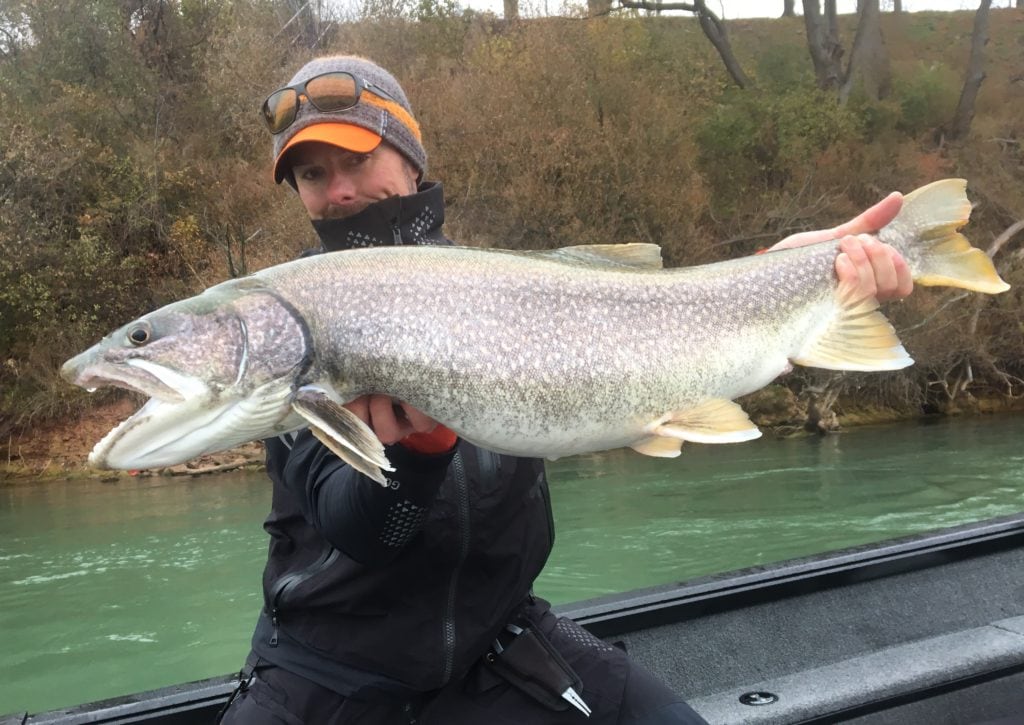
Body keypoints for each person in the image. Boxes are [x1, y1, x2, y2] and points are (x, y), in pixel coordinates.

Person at [217, 54, 913, 725]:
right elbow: (365, 531)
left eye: (358, 160)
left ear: (411, 156)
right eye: (313, 174)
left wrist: (784, 273)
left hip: (499, 644)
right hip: (327, 676)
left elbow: (664, 317)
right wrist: (421, 450)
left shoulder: (511, 284)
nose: (338, 191)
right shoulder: (287, 322)